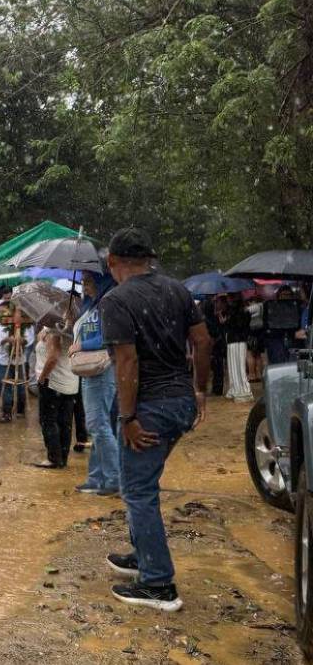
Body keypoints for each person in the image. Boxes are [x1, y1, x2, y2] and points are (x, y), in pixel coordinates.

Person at [101, 228, 210, 612]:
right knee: (141, 482)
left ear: (113, 262)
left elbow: (127, 362)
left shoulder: (116, 300)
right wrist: (199, 391)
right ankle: (143, 555)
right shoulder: (178, 290)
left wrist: (128, 417)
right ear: (149, 260)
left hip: (148, 408)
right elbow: (202, 341)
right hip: (180, 401)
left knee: (138, 491)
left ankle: (158, 584)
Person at [70, 271, 120, 496]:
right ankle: (96, 477)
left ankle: (114, 479)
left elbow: (109, 336)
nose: (84, 286)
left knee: (99, 426)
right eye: (82, 282)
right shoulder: (90, 306)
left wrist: (83, 346)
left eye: (88, 282)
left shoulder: (108, 305)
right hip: (89, 372)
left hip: (101, 371)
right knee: (98, 426)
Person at [34, 321, 80, 468]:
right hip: (70, 381)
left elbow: (53, 357)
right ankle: (62, 458)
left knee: (48, 421)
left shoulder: (55, 330)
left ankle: (54, 458)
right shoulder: (72, 327)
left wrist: (42, 378)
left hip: (53, 383)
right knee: (64, 423)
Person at [223, 293, 252, 401]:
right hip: (238, 341)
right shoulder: (244, 311)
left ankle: (242, 390)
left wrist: (227, 321)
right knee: (236, 366)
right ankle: (239, 389)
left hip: (235, 340)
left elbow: (237, 326)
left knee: (236, 366)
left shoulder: (234, 312)